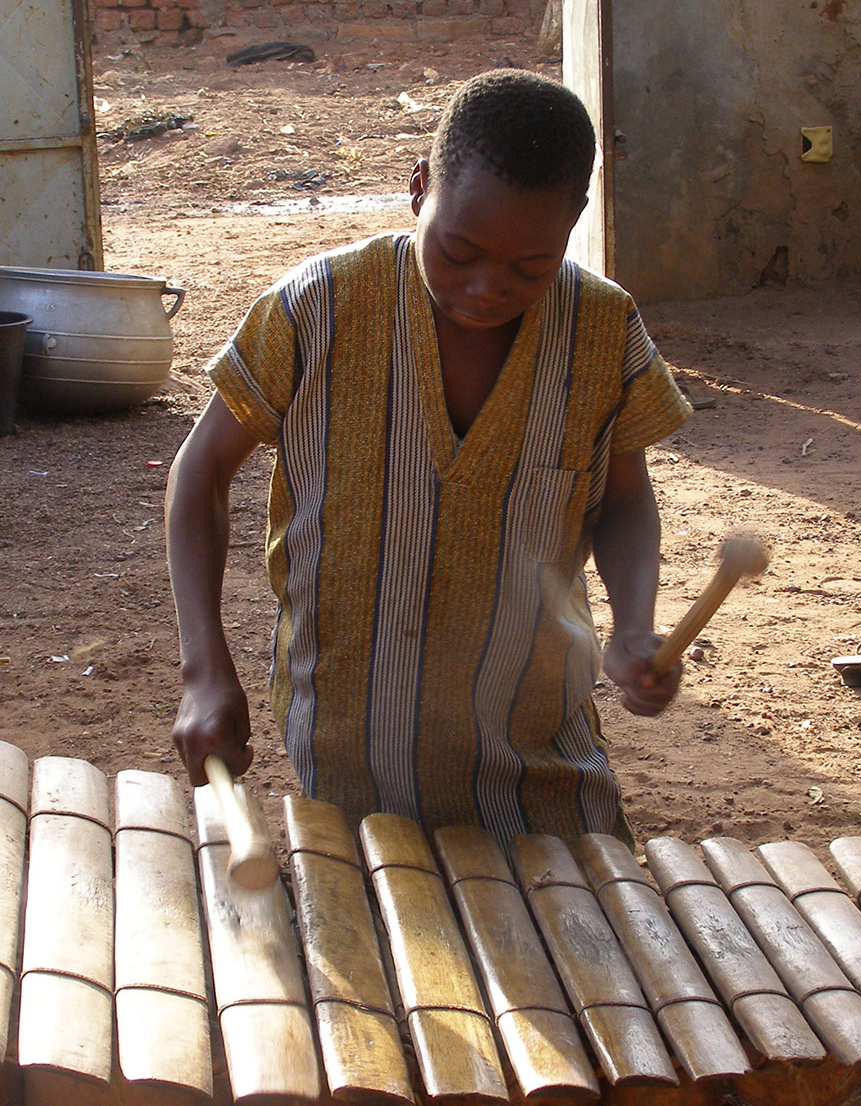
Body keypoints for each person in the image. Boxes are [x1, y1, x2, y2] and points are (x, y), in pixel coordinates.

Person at [165, 68, 691, 849]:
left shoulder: (604, 330)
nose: (486, 288)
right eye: (458, 251)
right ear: (419, 189)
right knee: (385, 950)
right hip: (356, 755)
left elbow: (622, 500)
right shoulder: (318, 308)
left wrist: (636, 624)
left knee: (583, 948)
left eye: (529, 268)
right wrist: (204, 666)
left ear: (576, 220)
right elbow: (199, 473)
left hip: (540, 754)